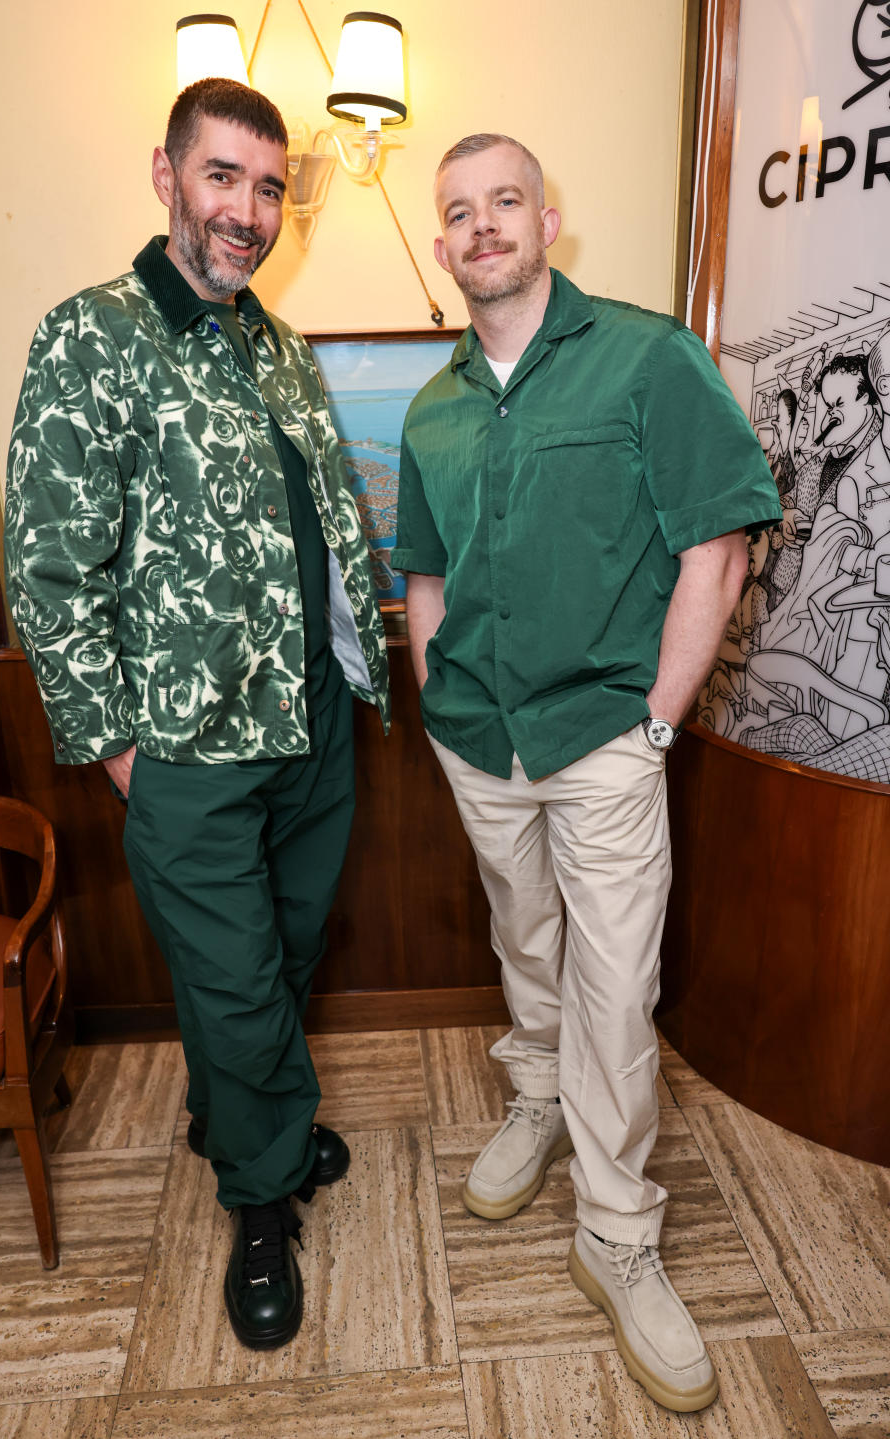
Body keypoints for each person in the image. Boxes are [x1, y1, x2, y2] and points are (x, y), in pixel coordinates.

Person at [393, 133, 779, 1413]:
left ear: (547, 218)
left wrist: (656, 726)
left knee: (619, 981)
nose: (481, 226)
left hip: (605, 735)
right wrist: (440, 694)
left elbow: (716, 548)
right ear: (445, 244)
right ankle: (536, 1093)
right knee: (527, 935)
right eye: (458, 212)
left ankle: (618, 1228)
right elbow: (429, 574)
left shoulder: (646, 356)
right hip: (478, 736)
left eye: (504, 201)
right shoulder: (438, 405)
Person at [4, 78, 390, 1351]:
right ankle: (260, 1195)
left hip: (310, 721)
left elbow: (319, 525)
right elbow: (51, 568)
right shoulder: (90, 335)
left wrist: (357, 665)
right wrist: (121, 747)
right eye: (222, 177)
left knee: (275, 957)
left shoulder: (270, 344)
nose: (248, 210)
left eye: (270, 186)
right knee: (230, 985)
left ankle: (241, 1109)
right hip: (187, 750)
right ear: (165, 175)